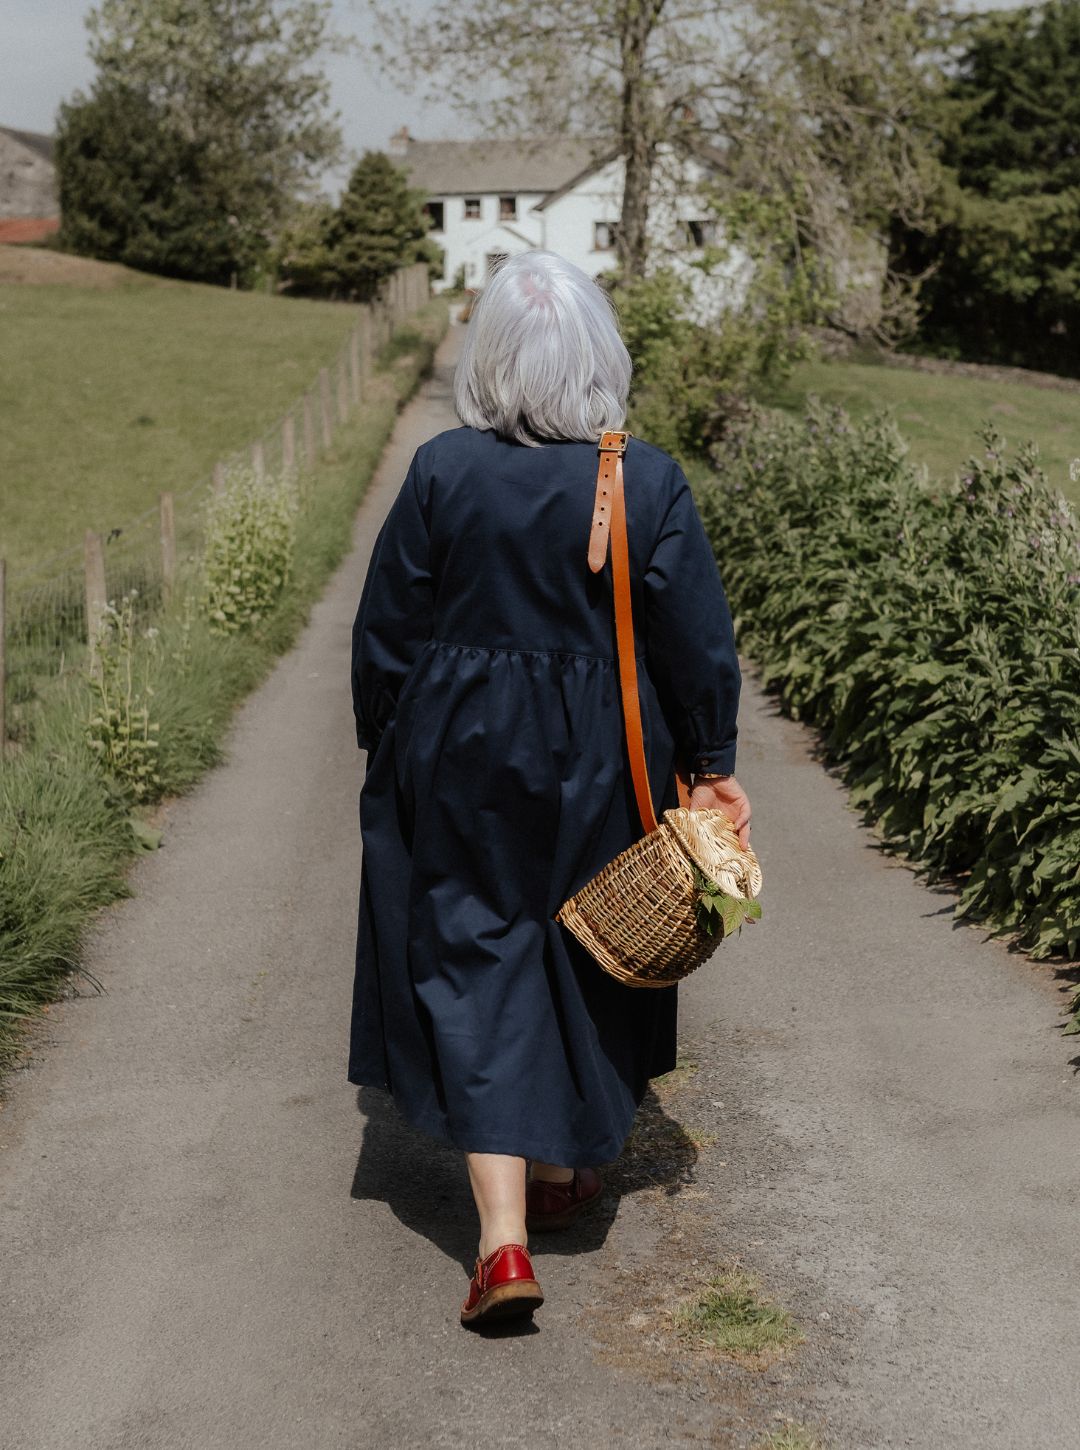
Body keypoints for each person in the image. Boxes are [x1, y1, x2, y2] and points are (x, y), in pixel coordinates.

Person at [348, 249, 750, 1328]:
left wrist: (384, 741)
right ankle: (568, 1165)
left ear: (494, 361)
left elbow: (386, 631)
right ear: (598, 358)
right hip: (603, 754)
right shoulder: (649, 477)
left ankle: (503, 1238)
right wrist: (711, 766)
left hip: (459, 746)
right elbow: (698, 644)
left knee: (475, 955)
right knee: (592, 941)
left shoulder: (441, 471)